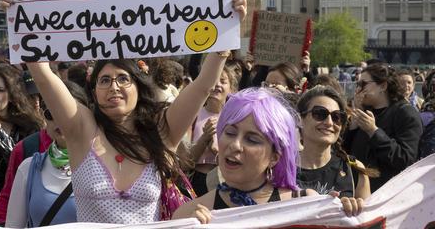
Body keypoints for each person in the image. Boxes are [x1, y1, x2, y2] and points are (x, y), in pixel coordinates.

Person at [0, 0, 247, 224]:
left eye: (123, 79)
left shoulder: (161, 132)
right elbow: (42, 74)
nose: (114, 87)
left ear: (139, 88)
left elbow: (203, 85)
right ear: (93, 92)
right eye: (104, 80)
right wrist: (20, 17)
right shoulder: (82, 129)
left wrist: (226, 30)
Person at [172, 88, 364, 224]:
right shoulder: (188, 215)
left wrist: (342, 215)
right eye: (230, 133)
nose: (235, 145)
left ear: (275, 156)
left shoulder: (303, 203)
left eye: (252, 139)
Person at [6, 81, 89, 227]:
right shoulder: (28, 168)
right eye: (51, 113)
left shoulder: (103, 167)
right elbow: (13, 226)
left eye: (68, 111)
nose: (59, 119)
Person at [344, 64, 423, 192]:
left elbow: (405, 159)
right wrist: (353, 124)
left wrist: (373, 131)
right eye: (357, 84)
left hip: (386, 195)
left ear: (383, 86)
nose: (358, 89)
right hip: (357, 191)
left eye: (363, 84)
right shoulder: (365, 111)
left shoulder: (405, 113)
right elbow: (345, 152)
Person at [0, 64, 45, 199]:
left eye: (0, 90)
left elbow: (27, 167)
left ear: (12, 95)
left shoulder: (30, 127)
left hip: (18, 200)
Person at [297, 86, 376, 199]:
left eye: (336, 117)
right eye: (319, 113)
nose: (329, 122)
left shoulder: (354, 169)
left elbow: (366, 216)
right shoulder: (279, 168)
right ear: (300, 119)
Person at [189, 65, 238, 196]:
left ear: (231, 89)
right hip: (196, 181)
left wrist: (217, 150)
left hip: (225, 181)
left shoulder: (237, 119)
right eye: (213, 81)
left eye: (223, 81)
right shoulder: (193, 114)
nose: (217, 85)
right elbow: (186, 161)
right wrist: (205, 138)